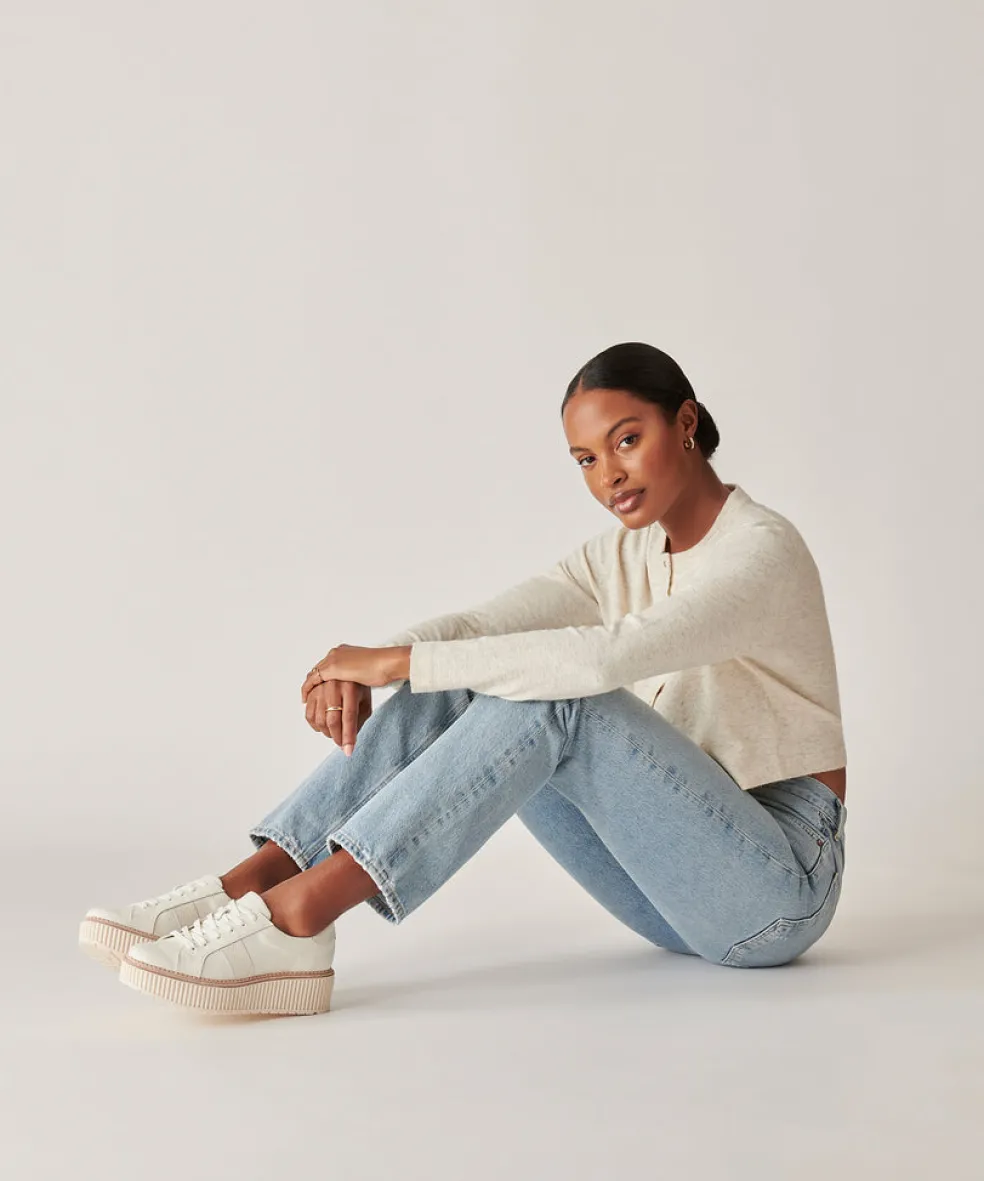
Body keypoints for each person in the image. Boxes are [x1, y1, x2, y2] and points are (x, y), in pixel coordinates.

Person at [78, 341, 849, 1017]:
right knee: (483, 671)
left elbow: (603, 659)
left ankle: (299, 918)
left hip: (777, 888)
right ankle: (250, 883)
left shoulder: (762, 551)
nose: (609, 474)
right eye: (586, 459)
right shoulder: (622, 554)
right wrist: (368, 661)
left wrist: (397, 665)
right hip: (673, 892)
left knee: (563, 699)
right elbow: (483, 629)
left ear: (684, 422)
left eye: (626, 439)